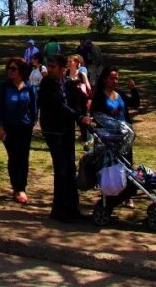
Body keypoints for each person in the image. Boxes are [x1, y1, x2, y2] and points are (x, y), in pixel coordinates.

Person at [38, 54, 92, 221]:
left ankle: (72, 208)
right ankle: (59, 209)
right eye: (49, 66)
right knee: (61, 169)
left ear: (63, 68)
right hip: (54, 131)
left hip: (67, 130)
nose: (50, 69)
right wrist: (78, 117)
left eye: (53, 66)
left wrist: (83, 109)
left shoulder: (66, 84)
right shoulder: (47, 84)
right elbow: (59, 106)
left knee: (70, 169)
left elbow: (74, 103)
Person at [0, 56, 38, 205]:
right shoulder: (3, 87)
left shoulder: (29, 87)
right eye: (9, 68)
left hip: (25, 128)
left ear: (21, 71)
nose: (10, 71)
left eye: (14, 69)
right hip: (9, 129)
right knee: (14, 157)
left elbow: (34, 108)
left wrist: (32, 122)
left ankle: (22, 187)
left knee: (23, 158)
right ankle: (16, 188)